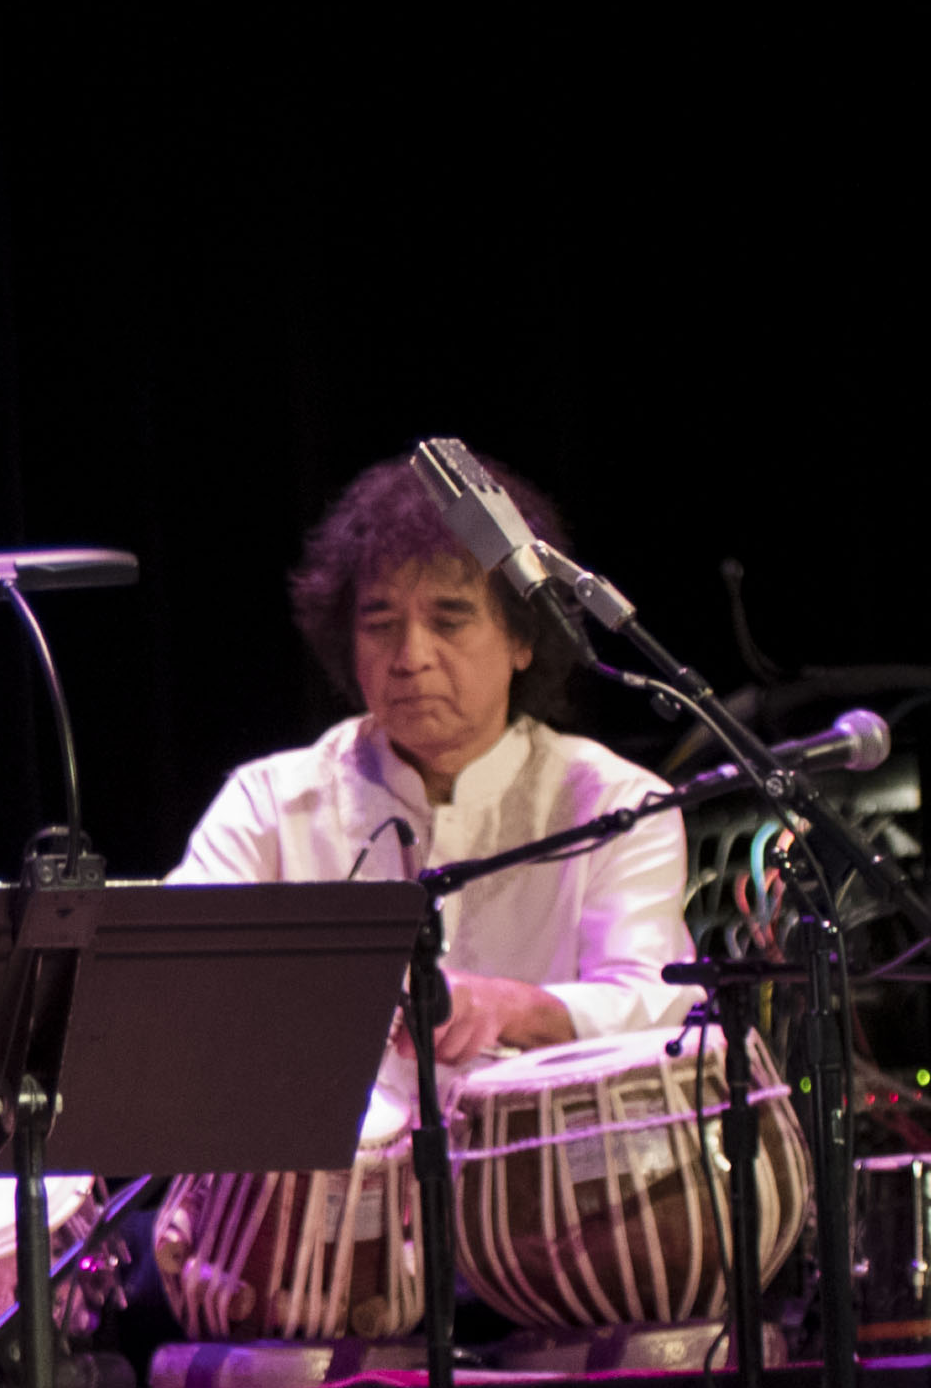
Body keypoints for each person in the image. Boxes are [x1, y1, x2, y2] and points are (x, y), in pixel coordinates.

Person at [176, 445, 692, 1059]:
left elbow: (649, 997)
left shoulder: (615, 803)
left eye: (449, 621)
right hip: (341, 1149)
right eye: (381, 624)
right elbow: (178, 977)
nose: (411, 657)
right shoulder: (271, 803)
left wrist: (511, 1005)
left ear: (523, 637)